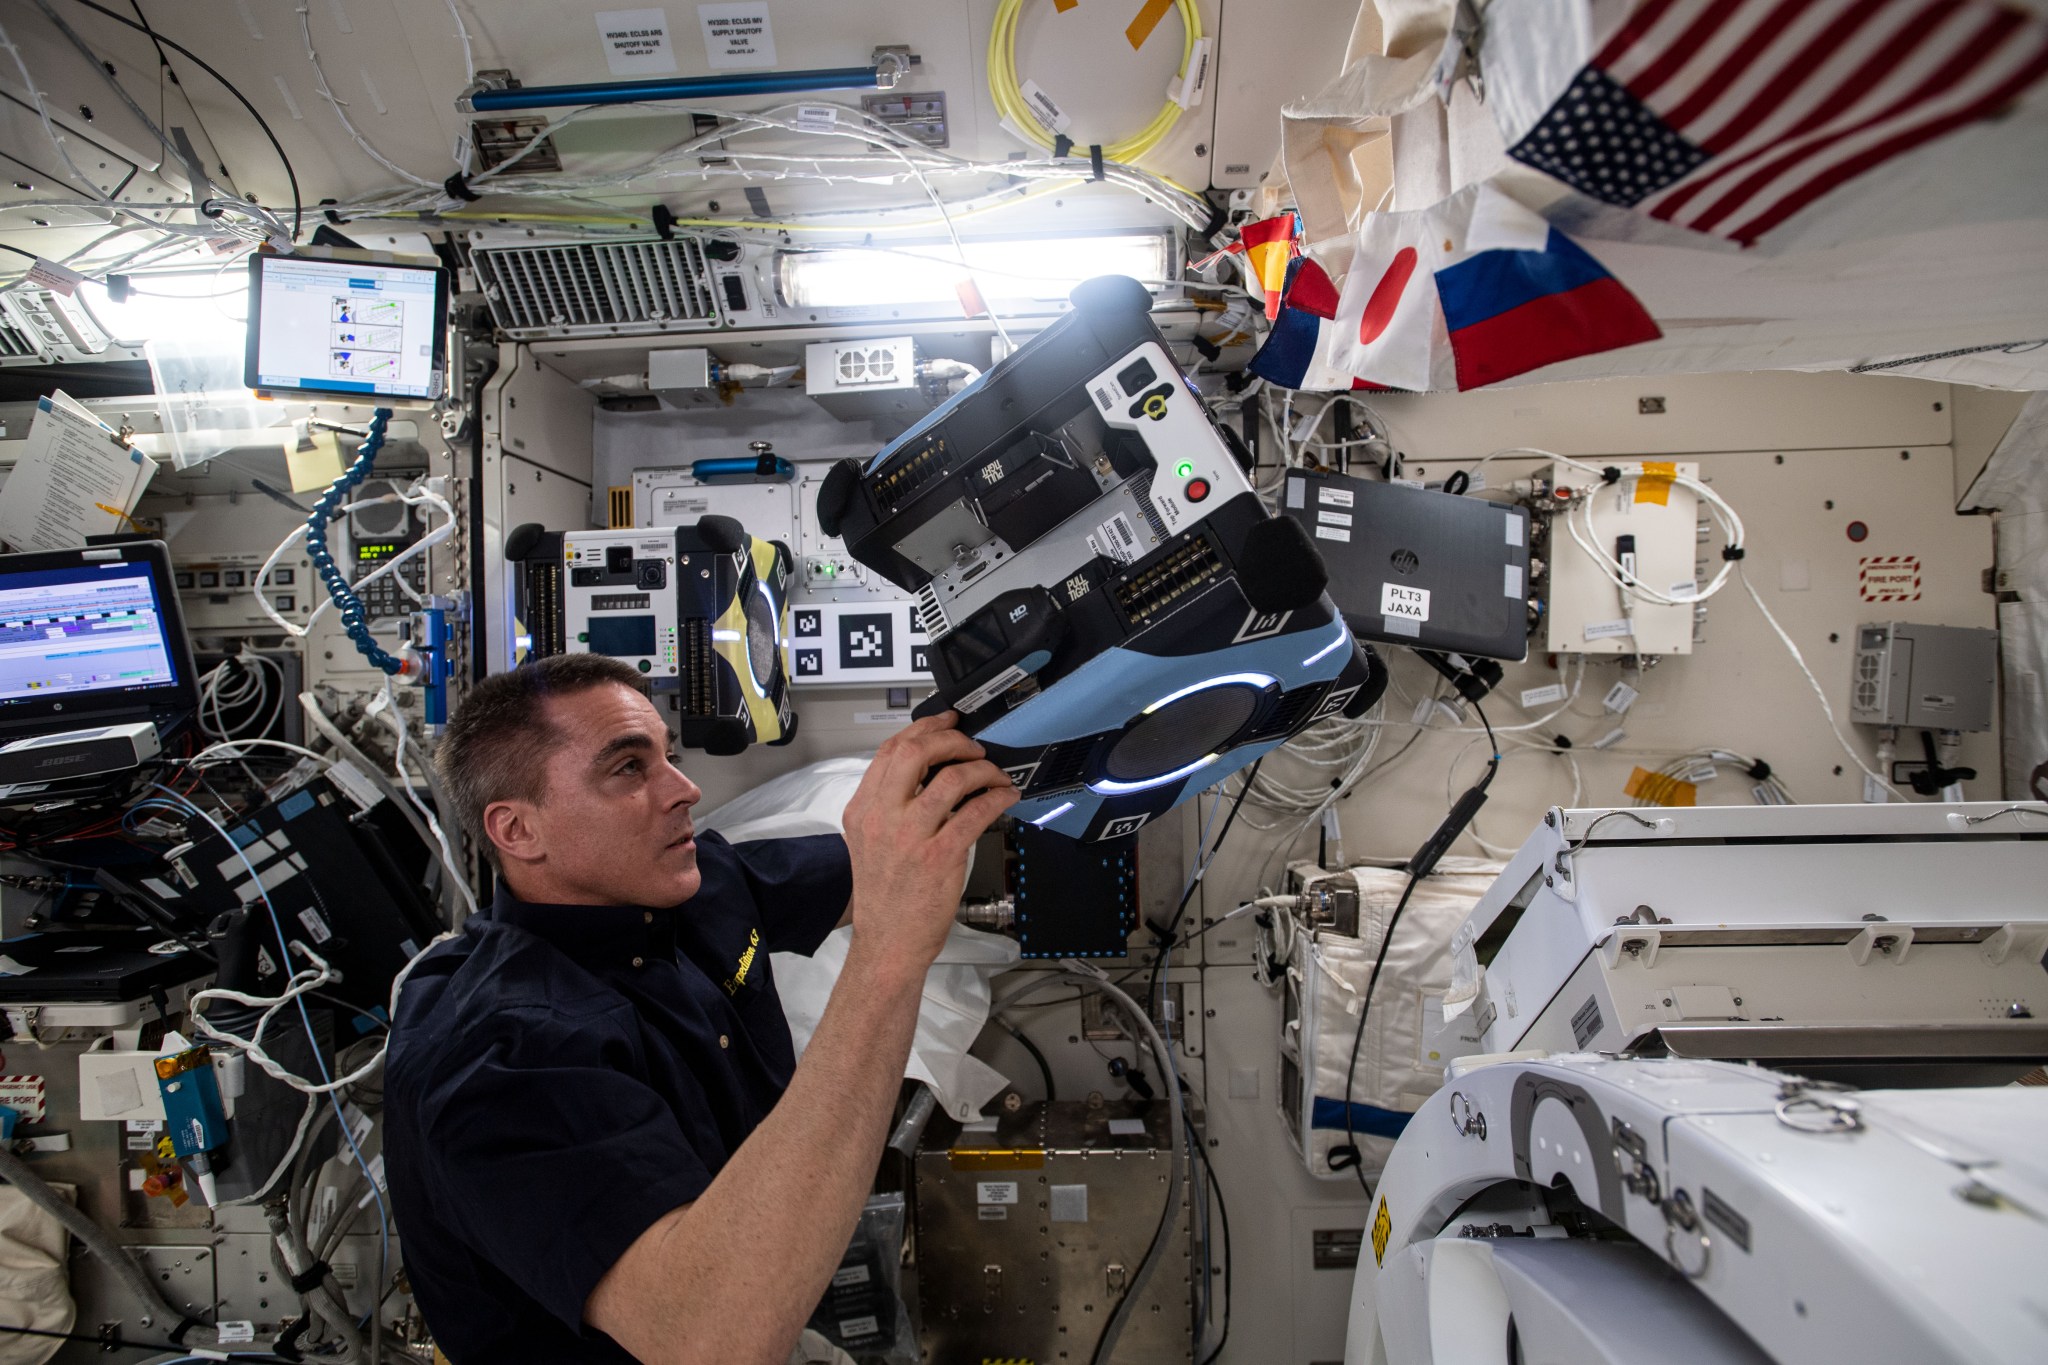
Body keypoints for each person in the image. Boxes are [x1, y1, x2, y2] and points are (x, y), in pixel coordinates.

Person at [383, 653, 1014, 1363]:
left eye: (669, 755)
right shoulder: (499, 1059)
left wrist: (1019, 722)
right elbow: (707, 1341)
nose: (684, 788)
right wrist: (890, 956)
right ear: (518, 830)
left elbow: (890, 862)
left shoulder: (692, 887)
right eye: (628, 768)